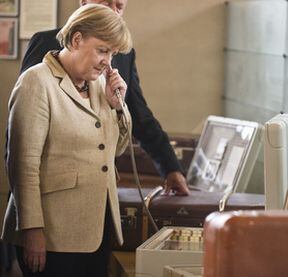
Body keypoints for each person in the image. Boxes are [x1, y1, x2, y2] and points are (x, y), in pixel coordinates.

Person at [2, 4, 133, 276]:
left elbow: (115, 150)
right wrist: (32, 230)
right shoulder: (36, 81)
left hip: (96, 227)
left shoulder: (98, 84)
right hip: (51, 232)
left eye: (113, 53)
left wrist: (117, 106)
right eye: (102, 50)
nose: (108, 61)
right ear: (76, 39)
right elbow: (23, 166)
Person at [20, 0, 190, 196]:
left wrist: (170, 167)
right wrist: (25, 208)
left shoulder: (125, 54)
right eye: (106, 3)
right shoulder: (46, 43)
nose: (113, 12)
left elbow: (140, 114)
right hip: (50, 190)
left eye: (119, 6)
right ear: (84, 2)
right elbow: (24, 125)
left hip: (100, 188)